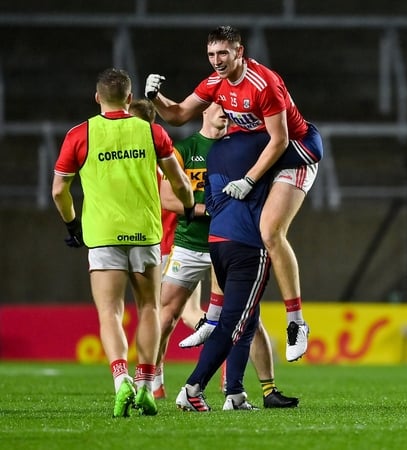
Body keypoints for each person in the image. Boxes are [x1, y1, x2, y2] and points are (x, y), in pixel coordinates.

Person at [144, 25, 323, 362]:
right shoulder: (215, 82)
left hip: (294, 153)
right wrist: (156, 98)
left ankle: (296, 321)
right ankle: (214, 315)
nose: (216, 60)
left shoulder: (263, 83)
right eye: (211, 54)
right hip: (258, 153)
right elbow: (180, 114)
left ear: (239, 51)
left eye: (223, 53)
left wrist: (250, 180)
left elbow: (280, 140)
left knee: (270, 232)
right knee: (225, 227)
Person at [52, 68, 195, 418]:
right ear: (130, 99)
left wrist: (72, 225)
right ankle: (146, 386)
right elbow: (179, 182)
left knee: (110, 312)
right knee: (149, 309)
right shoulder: (151, 131)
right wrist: (189, 206)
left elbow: (59, 190)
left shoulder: (79, 134)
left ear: (97, 97)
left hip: (102, 235)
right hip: (146, 234)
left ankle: (121, 381)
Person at [155, 102, 299, 408]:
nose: (225, 112)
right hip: (218, 242)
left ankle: (238, 390)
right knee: (220, 318)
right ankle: (175, 385)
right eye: (219, 106)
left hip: (219, 242)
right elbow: (165, 196)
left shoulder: (224, 150)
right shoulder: (215, 146)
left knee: (245, 318)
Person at [130, 98, 206, 335]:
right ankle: (226, 335)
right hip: (185, 242)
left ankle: (151, 373)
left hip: (162, 245)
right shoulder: (169, 157)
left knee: (155, 312)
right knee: (189, 311)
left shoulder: (139, 162)